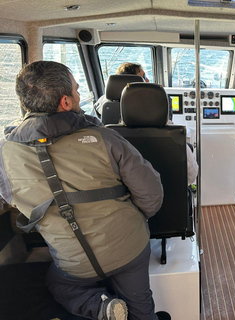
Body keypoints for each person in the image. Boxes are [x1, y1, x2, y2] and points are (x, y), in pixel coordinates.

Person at [0, 61, 164, 320]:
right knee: (142, 305)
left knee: (59, 285)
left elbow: (10, 200)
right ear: (65, 102)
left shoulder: (5, 154)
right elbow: (152, 196)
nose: (79, 95)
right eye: (77, 90)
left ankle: (100, 306)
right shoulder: (105, 138)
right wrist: (137, 217)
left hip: (74, 262)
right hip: (129, 246)